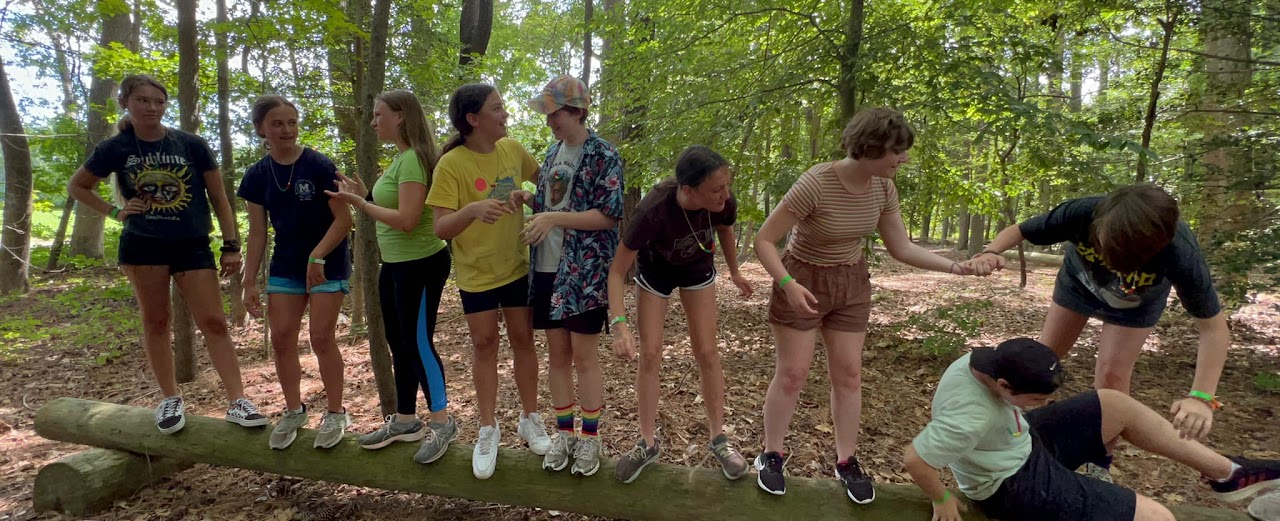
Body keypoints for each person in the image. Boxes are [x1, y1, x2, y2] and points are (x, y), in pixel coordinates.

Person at [750, 107, 980, 503]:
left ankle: (846, 461)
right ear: (870, 148)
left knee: (849, 374)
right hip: (802, 278)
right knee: (792, 373)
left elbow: (901, 247)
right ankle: (771, 455)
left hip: (851, 281)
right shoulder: (816, 183)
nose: (903, 159)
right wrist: (786, 284)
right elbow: (764, 239)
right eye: (897, 151)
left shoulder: (883, 187)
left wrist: (955, 267)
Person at [972, 185, 1228, 478]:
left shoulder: (1181, 252)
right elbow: (1020, 229)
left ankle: (1099, 464)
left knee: (1112, 377)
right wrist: (990, 252)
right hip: (1078, 287)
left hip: (1135, 303)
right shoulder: (1080, 213)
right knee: (1040, 362)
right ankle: (1003, 434)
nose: (1110, 260)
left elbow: (1213, 330)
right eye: (1106, 247)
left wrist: (1201, 397)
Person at [67, 74, 267, 433]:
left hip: (191, 243)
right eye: (143, 100)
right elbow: (78, 186)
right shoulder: (116, 148)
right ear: (126, 103)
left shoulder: (190, 144)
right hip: (143, 244)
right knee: (156, 321)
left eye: (158, 101)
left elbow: (219, 198)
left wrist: (231, 245)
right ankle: (170, 399)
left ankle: (238, 400)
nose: (152, 108)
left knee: (214, 322)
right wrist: (115, 212)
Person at [904, 337, 1280, 521]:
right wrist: (941, 499)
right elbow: (916, 459)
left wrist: (1029, 408)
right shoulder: (969, 416)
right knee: (1158, 519)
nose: (1045, 404)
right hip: (1010, 484)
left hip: (1016, 440)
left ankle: (1228, 474)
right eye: (1037, 399)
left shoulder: (981, 361)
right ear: (1003, 386)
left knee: (1112, 402)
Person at [425, 83, 550, 479]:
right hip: (476, 273)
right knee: (484, 345)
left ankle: (529, 418)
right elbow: (441, 227)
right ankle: (487, 428)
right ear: (473, 119)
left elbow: (548, 185)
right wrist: (474, 209)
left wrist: (532, 198)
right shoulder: (452, 165)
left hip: (515, 266)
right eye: (497, 108)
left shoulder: (512, 150)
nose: (505, 113)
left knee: (523, 339)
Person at [607, 145, 752, 484]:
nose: (725, 194)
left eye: (727, 186)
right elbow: (617, 272)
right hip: (656, 275)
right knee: (650, 354)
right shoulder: (653, 210)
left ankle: (719, 439)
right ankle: (646, 443)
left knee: (707, 351)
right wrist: (619, 325)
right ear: (688, 190)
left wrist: (734, 271)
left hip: (697, 269)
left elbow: (727, 229)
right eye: (717, 189)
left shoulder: (722, 201)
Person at [326, 90, 457, 463]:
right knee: (397, 343)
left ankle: (443, 422)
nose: (372, 121)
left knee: (417, 342)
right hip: (395, 265)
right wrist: (366, 193)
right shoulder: (402, 159)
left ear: (400, 116)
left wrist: (361, 204)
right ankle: (405, 420)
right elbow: (396, 207)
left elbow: (408, 220)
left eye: (377, 113)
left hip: (420, 264)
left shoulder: (414, 160)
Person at [522, 75, 624, 477]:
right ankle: (564, 434)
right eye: (547, 113)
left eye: (555, 112)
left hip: (584, 273)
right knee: (558, 357)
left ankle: (590, 439)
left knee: (584, 357)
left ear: (578, 111)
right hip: (547, 268)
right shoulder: (551, 154)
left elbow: (607, 215)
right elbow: (554, 203)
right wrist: (529, 199)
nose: (550, 121)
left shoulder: (603, 155)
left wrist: (551, 216)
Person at [239, 95, 353, 449]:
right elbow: (257, 233)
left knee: (321, 337)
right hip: (286, 265)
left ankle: (336, 412)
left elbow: (344, 221)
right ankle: (293, 410)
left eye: (291, 122)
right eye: (277, 123)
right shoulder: (257, 175)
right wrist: (248, 282)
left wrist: (317, 256)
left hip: (326, 260)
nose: (286, 130)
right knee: (282, 338)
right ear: (262, 129)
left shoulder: (318, 165)